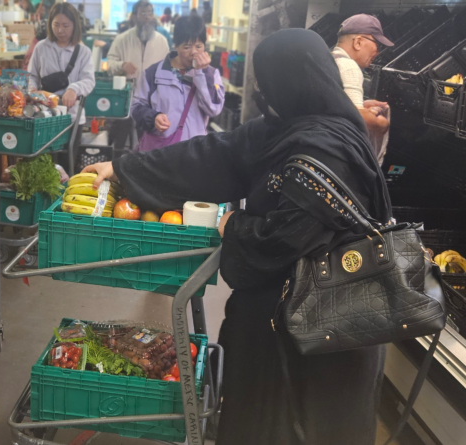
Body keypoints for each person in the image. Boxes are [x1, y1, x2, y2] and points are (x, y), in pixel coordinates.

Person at [83, 28, 390, 445]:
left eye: (268, 84)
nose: (264, 94)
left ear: (290, 83)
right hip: (282, 321)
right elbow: (215, 154)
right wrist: (124, 169)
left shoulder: (327, 148)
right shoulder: (288, 125)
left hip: (318, 339)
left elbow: (280, 242)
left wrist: (234, 227)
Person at [131, 15, 224, 151]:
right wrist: (153, 117)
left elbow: (213, 109)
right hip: (160, 153)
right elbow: (135, 108)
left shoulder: (211, 74)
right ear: (176, 45)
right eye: (187, 47)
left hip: (194, 153)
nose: (194, 52)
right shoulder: (153, 73)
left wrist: (201, 73)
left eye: (199, 46)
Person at [332, 14, 393, 165]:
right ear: (358, 42)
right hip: (339, 155)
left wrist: (363, 106)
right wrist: (382, 124)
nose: (377, 52)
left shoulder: (330, 59)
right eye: (376, 44)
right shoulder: (349, 67)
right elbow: (359, 121)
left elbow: (336, 106)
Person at [28, 2, 95, 124]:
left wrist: (74, 89)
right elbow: (32, 75)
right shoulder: (41, 48)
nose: (60, 30)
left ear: (74, 26)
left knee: (71, 144)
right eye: (56, 25)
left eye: (65, 25)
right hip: (45, 116)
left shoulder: (83, 52)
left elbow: (89, 81)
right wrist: (32, 90)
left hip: (73, 116)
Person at [107, 0, 169, 84]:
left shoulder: (162, 41)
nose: (147, 17)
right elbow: (110, 64)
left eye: (150, 13)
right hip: (128, 91)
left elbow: (167, 69)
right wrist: (122, 65)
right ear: (134, 17)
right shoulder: (122, 39)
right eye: (143, 13)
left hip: (153, 93)